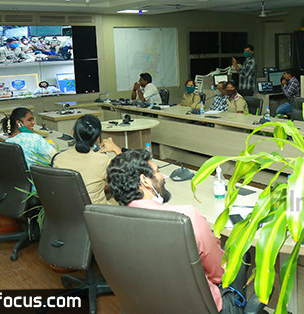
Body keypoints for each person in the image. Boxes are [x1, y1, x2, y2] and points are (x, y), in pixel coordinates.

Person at [107, 149, 254, 313]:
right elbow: (219, 274)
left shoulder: (108, 220)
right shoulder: (186, 217)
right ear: (145, 181)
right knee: (240, 254)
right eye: (157, 172)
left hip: (146, 305)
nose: (163, 177)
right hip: (205, 308)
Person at [52, 115, 121, 205]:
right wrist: (117, 150)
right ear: (97, 139)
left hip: (67, 213)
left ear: (73, 133)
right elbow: (128, 178)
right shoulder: (103, 160)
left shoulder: (58, 158)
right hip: (95, 214)